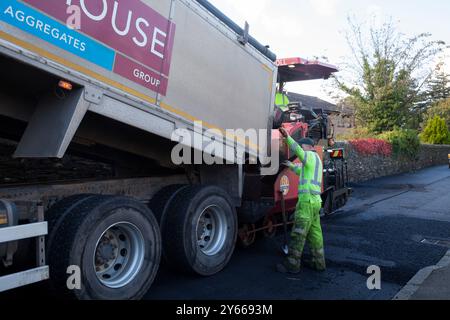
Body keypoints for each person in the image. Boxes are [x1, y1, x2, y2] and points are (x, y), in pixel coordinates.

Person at [276, 127, 326, 274]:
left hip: (306, 202)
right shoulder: (316, 160)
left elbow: (298, 151)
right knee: (315, 234)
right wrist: (291, 166)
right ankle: (319, 262)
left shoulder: (309, 155)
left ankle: (292, 265)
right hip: (316, 202)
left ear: (308, 146)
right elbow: (301, 171)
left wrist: (287, 137)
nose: (301, 149)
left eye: (302, 146)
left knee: (298, 233)